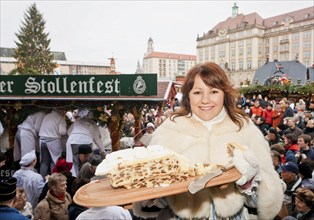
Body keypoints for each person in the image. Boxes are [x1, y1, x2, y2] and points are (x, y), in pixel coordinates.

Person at [133, 62, 284, 219]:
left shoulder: (245, 129)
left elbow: (267, 201)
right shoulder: (168, 131)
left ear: (224, 94)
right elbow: (150, 204)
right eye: (197, 92)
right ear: (187, 96)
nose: (205, 100)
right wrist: (154, 194)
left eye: (213, 91)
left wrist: (249, 183)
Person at [66, 110, 106, 177]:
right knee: (86, 162)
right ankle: (84, 177)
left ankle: (76, 178)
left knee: (75, 162)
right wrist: (103, 151)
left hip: (73, 141)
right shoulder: (93, 123)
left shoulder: (77, 122)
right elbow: (97, 139)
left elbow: (68, 132)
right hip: (86, 141)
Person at [39, 109, 67, 178]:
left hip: (42, 140)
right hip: (53, 141)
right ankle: (53, 180)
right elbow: (62, 132)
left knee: (44, 162)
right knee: (54, 161)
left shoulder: (47, 116)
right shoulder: (60, 118)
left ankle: (43, 180)